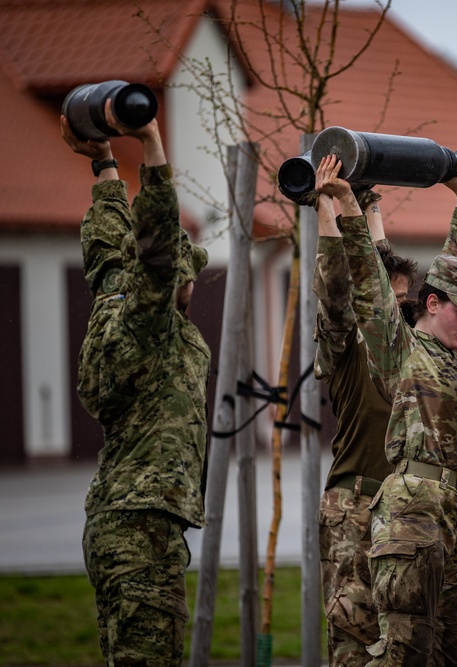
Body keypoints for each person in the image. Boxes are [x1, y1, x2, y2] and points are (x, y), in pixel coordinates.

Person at [319, 154, 457, 666]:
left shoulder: (455, 353)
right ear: (431, 304)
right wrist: (348, 204)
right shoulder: (400, 349)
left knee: (448, 650)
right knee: (404, 653)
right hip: (412, 511)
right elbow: (369, 284)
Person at [62, 100, 210, 666]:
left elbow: (109, 246)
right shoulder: (148, 321)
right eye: (184, 271)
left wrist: (102, 162)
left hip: (121, 522)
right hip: (142, 532)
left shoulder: (113, 300)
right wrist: (150, 147)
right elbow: (149, 241)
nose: (191, 283)